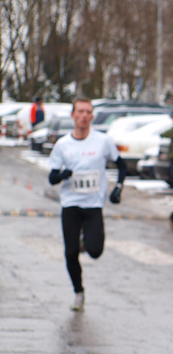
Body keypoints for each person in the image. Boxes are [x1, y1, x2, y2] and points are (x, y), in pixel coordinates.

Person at [48, 97, 126, 311]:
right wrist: (63, 175)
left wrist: (118, 188)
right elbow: (52, 178)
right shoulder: (63, 144)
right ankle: (78, 292)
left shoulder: (102, 141)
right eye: (80, 111)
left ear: (92, 116)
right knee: (70, 253)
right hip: (71, 204)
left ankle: (86, 241)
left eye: (88, 112)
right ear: (73, 115)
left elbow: (122, 165)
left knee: (95, 251)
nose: (84, 116)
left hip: (93, 205)